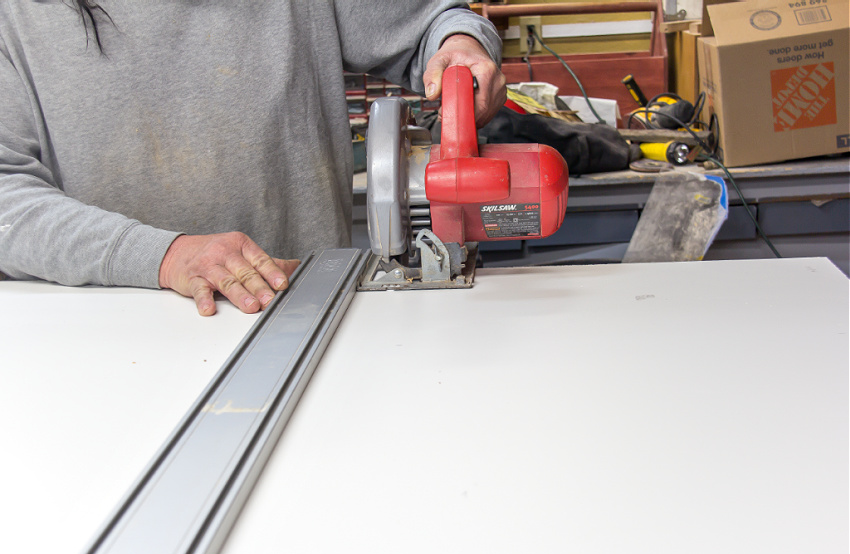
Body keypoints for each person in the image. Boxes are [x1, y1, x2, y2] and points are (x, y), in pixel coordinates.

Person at [0, 1, 506, 315]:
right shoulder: (16, 18)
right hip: (95, 336)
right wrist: (163, 255)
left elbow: (433, 23)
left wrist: (458, 46)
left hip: (300, 315)